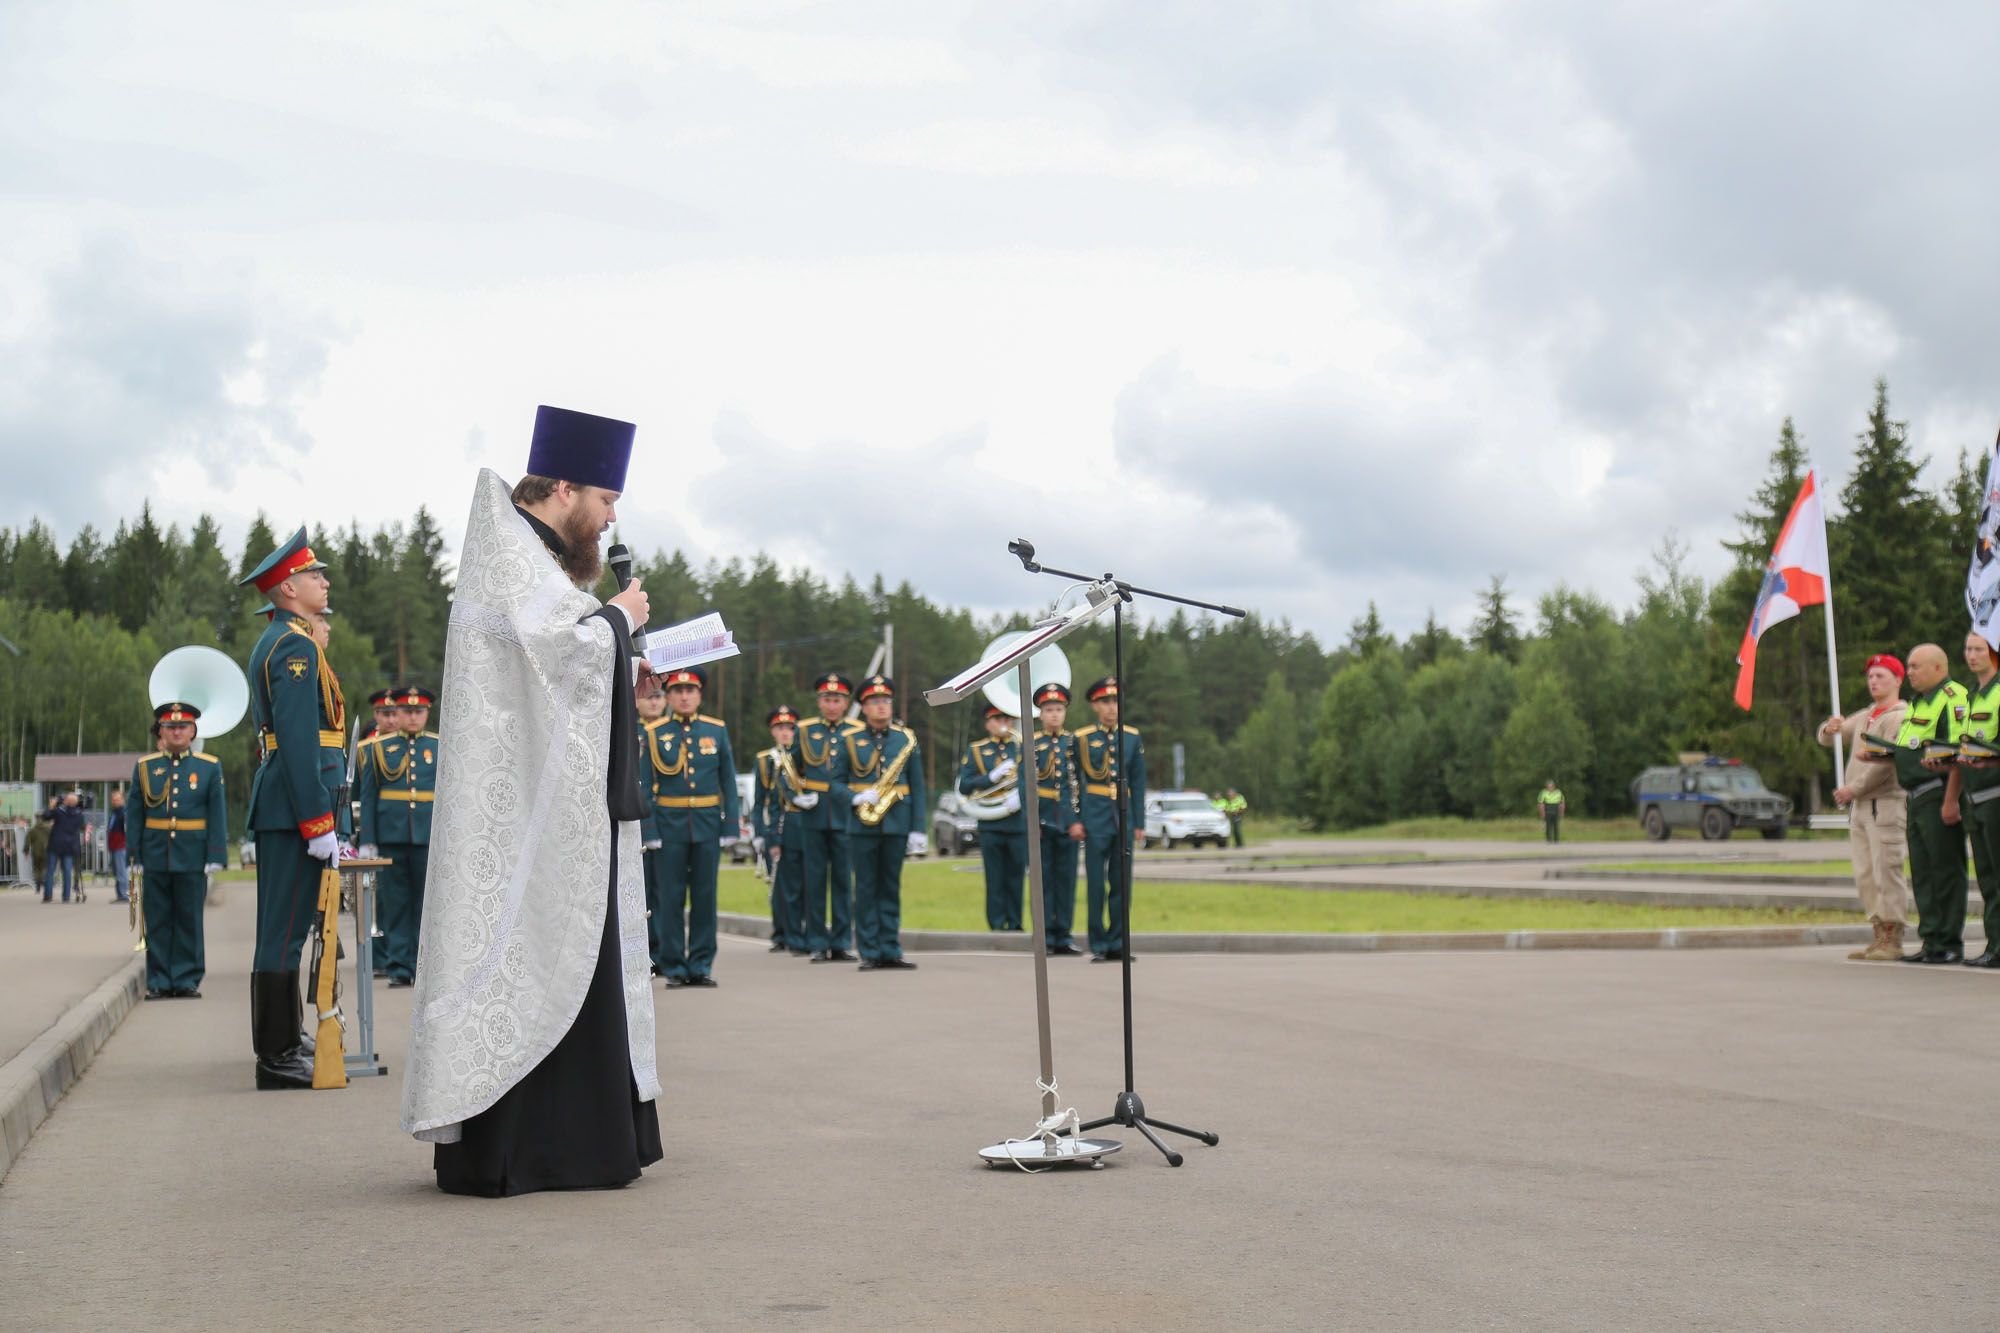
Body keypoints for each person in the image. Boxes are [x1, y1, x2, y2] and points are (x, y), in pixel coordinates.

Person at [401, 404, 662, 1197]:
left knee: (569, 949)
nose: (611, 518)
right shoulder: (515, 557)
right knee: (529, 947)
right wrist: (618, 619)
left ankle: (573, 1140)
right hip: (520, 821)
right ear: (565, 488)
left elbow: (554, 670)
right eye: (606, 500)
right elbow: (560, 653)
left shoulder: (532, 558)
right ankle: (538, 1150)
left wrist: (619, 655)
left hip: (548, 812)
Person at [239, 526, 347, 1089]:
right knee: (282, 932)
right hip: (292, 805)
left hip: (290, 803)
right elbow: (300, 741)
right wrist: (318, 821)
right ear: (287, 588)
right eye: (313, 574)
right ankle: (276, 1054)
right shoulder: (294, 647)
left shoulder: (291, 640)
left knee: (290, 928)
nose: (323, 582)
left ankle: (285, 1036)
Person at [644, 666, 738, 988]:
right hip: (669, 826)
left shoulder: (716, 730)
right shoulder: (654, 732)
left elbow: (728, 781)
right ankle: (674, 966)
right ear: (669, 697)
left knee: (705, 897)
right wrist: (649, 830)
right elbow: (646, 786)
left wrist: (731, 826)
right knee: (670, 899)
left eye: (690, 691)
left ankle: (700, 965)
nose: (684, 697)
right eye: (677, 691)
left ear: (699, 695)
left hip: (707, 824)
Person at [130, 702, 227, 999]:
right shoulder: (145, 767)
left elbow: (217, 814)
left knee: (189, 919)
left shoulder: (209, 767)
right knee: (157, 920)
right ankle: (159, 980)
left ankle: (186, 978)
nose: (176, 732)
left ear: (193, 731)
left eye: (182, 727)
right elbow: (135, 814)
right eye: (170, 727)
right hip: (155, 853)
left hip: (192, 853)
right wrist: (134, 855)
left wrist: (216, 855)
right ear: (160, 731)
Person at [1819, 653, 1912, 961]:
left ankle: (1893, 936)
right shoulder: (1868, 715)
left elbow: (1886, 764)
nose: (1873, 681)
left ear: (1897, 680)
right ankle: (1878, 931)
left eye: (1880, 676)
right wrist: (1829, 728)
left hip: (1884, 803)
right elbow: (1832, 736)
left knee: (1886, 870)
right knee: (1865, 873)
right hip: (1860, 807)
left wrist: (1853, 788)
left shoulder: (1899, 716)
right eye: (1870, 676)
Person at [1891, 643, 1970, 964]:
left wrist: (1951, 800)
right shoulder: (1918, 702)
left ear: (1938, 668)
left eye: (1915, 666)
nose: (1909, 672)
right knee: (1923, 872)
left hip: (1938, 792)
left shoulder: (1953, 698)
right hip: (1915, 796)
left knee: (1945, 869)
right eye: (1908, 666)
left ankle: (1949, 941)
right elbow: (1911, 748)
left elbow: (1959, 752)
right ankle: (1932, 940)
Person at [356, 685, 439, 988]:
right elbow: (368, 797)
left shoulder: (440, 746)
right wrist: (367, 839)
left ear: (427, 713)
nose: (413, 717)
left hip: (428, 836)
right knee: (394, 903)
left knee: (425, 904)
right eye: (407, 711)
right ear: (398, 712)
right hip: (391, 836)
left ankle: (422, 964)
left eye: (419, 711)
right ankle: (398, 966)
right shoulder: (376, 748)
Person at [843, 675, 923, 970]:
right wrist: (855, 797)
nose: (881, 706)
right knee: (865, 889)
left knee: (890, 887)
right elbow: (834, 784)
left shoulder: (906, 738)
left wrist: (918, 829)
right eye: (875, 702)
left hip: (896, 822)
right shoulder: (850, 739)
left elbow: (917, 785)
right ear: (864, 707)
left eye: (886, 701)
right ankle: (870, 951)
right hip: (861, 825)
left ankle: (891, 948)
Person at [1075, 676, 1145, 962]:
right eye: (1105, 702)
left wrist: (1139, 823)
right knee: (1095, 884)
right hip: (1095, 814)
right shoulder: (1082, 738)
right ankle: (1099, 943)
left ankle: (1118, 941)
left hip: (1123, 815)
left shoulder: (1132, 736)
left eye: (1115, 701)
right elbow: (1075, 782)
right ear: (1095, 705)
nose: (1112, 707)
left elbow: (1138, 781)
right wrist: (1077, 818)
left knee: (1122, 882)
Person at [798, 672, 861, 963]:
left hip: (846, 815)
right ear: (819, 702)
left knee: (843, 881)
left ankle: (841, 942)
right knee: (814, 881)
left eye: (837, 700)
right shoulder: (805, 731)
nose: (832, 705)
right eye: (827, 699)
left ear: (846, 703)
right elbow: (788, 768)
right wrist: (795, 795)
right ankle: (816, 942)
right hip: (813, 815)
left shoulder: (857, 731)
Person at [959, 703, 1026, 931]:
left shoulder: (1022, 747)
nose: (1003, 724)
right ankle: (996, 926)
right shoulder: (977, 749)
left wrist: (1021, 796)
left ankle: (1016, 924)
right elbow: (965, 786)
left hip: (1017, 822)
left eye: (1007, 719)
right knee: (994, 878)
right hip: (990, 823)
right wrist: (991, 777)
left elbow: (1034, 778)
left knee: (1016, 877)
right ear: (988, 724)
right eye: (998, 719)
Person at [1031, 682, 1086, 955]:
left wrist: (1079, 820)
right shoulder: (1032, 743)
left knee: (1066, 881)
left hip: (1068, 822)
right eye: (1049, 710)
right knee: (1043, 882)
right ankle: (1045, 937)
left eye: (1058, 710)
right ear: (1041, 714)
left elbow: (1081, 784)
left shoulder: (1074, 743)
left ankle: (1063, 934)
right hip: (1042, 820)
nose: (1054, 715)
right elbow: (1025, 786)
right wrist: (1032, 823)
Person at [1956, 635, 2000, 968]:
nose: (1971, 655)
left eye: (1978, 650)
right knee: (1987, 878)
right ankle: (1994, 944)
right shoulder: (1971, 696)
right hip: (1975, 798)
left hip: (1996, 795)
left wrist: (1990, 758)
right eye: (1968, 649)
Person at [752, 704, 810, 956]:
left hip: (804, 825)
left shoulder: (806, 755)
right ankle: (783, 933)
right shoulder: (765, 760)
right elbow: (760, 801)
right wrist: (760, 833)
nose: (785, 732)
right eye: (780, 728)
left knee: (806, 885)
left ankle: (803, 933)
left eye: (790, 728)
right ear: (772, 731)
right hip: (778, 828)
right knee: (782, 886)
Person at [634, 674, 671, 974]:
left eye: (659, 696)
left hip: (669, 822)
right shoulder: (630, 731)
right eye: (649, 696)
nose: (654, 702)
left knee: (665, 892)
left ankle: (663, 951)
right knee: (640, 891)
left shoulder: (673, 732)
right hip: (637, 821)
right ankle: (642, 950)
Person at [45, 791, 87, 903]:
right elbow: (82, 826)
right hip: (70, 846)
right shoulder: (79, 814)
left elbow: (46, 816)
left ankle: (48, 895)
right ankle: (66, 896)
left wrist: (51, 806)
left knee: (50, 870)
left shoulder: (59, 812)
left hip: (55, 845)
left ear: (66, 801)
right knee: (67, 872)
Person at [107, 790, 130, 903]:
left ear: (123, 800)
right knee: (117, 872)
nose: (115, 801)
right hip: (114, 846)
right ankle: (120, 894)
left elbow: (127, 829)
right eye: (113, 800)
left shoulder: (124, 813)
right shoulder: (114, 813)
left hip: (121, 845)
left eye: (117, 799)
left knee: (122, 871)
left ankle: (124, 895)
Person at [27, 802, 51, 900]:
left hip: (35, 851)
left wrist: (25, 851)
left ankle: (38, 885)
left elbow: (27, 841)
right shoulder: (48, 829)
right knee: (45, 868)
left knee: (37, 869)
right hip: (46, 851)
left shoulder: (33, 829)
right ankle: (44, 883)